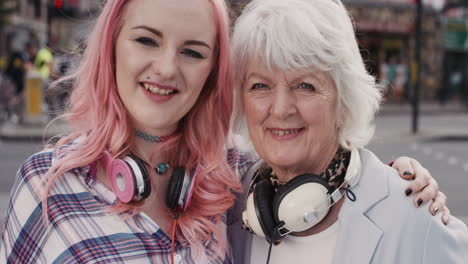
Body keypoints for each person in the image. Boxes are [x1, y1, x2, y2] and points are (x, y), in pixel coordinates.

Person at [0, 0, 449, 263]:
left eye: (193, 52)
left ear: (212, 72)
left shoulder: (232, 179)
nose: (166, 68)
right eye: (146, 40)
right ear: (111, 46)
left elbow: (334, 171)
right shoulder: (47, 186)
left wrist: (398, 182)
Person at [228, 0, 468, 263]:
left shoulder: (414, 214)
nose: (281, 109)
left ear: (344, 100)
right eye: (260, 85)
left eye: (305, 86)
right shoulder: (228, 205)